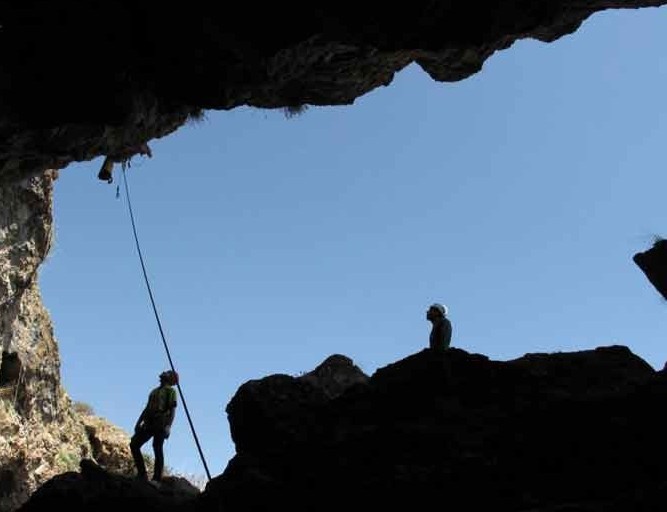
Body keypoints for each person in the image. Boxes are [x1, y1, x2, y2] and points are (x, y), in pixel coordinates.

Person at [130, 370, 178, 482]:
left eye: (168, 373)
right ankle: (142, 474)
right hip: (148, 422)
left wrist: (168, 426)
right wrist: (138, 422)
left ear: (170, 379)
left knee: (157, 447)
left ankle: (157, 479)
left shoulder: (171, 391)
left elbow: (172, 410)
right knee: (134, 444)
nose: (164, 373)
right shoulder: (154, 391)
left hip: (161, 421)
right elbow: (147, 408)